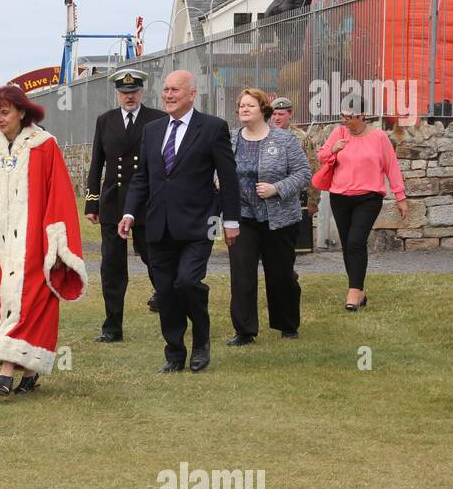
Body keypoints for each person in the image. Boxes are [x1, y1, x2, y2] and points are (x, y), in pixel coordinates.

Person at [0, 84, 85, 397]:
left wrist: (56, 241)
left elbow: (60, 195)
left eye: (6, 112)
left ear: (22, 112)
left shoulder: (45, 146)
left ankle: (6, 370)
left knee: (32, 304)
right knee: (5, 304)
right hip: (0, 247)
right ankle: (30, 369)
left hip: (35, 243)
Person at [118, 70, 240, 373]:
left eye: (175, 90)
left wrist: (231, 221)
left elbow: (228, 178)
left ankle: (201, 342)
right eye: (165, 90)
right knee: (166, 290)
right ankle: (174, 352)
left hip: (198, 225)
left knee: (187, 282)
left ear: (192, 94)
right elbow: (142, 178)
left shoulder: (213, 128)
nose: (168, 96)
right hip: (158, 226)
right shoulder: (153, 130)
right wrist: (130, 213)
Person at [85, 67, 167, 342]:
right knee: (112, 265)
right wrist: (92, 202)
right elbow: (97, 163)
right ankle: (112, 326)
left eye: (133, 92)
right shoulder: (105, 120)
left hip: (146, 202)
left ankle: (171, 312)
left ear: (142, 92)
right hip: (113, 201)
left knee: (154, 259)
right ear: (117, 94)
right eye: (124, 92)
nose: (129, 97)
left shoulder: (157, 119)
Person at [225, 88, 311, 345]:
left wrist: (277, 189)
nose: (244, 109)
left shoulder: (284, 140)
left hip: (280, 219)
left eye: (249, 105)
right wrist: (219, 181)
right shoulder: (231, 139)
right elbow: (217, 168)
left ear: (263, 109)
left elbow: (303, 173)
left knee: (281, 273)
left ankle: (287, 324)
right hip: (242, 217)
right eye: (241, 106)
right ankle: (244, 331)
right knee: (242, 274)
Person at [316, 92, 407, 311]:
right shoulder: (338, 132)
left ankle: (353, 291)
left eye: (350, 116)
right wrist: (333, 149)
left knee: (356, 241)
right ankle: (359, 291)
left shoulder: (379, 138)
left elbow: (391, 167)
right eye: (343, 115)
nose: (345, 120)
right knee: (348, 244)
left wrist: (400, 196)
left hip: (368, 198)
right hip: (339, 197)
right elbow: (321, 156)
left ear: (363, 115)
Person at [271, 95, 320, 217]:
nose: (276, 118)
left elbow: (312, 168)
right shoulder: (264, 136)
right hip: (270, 196)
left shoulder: (302, 138)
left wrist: (313, 200)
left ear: (290, 114)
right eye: (274, 114)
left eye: (281, 114)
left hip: (297, 197)